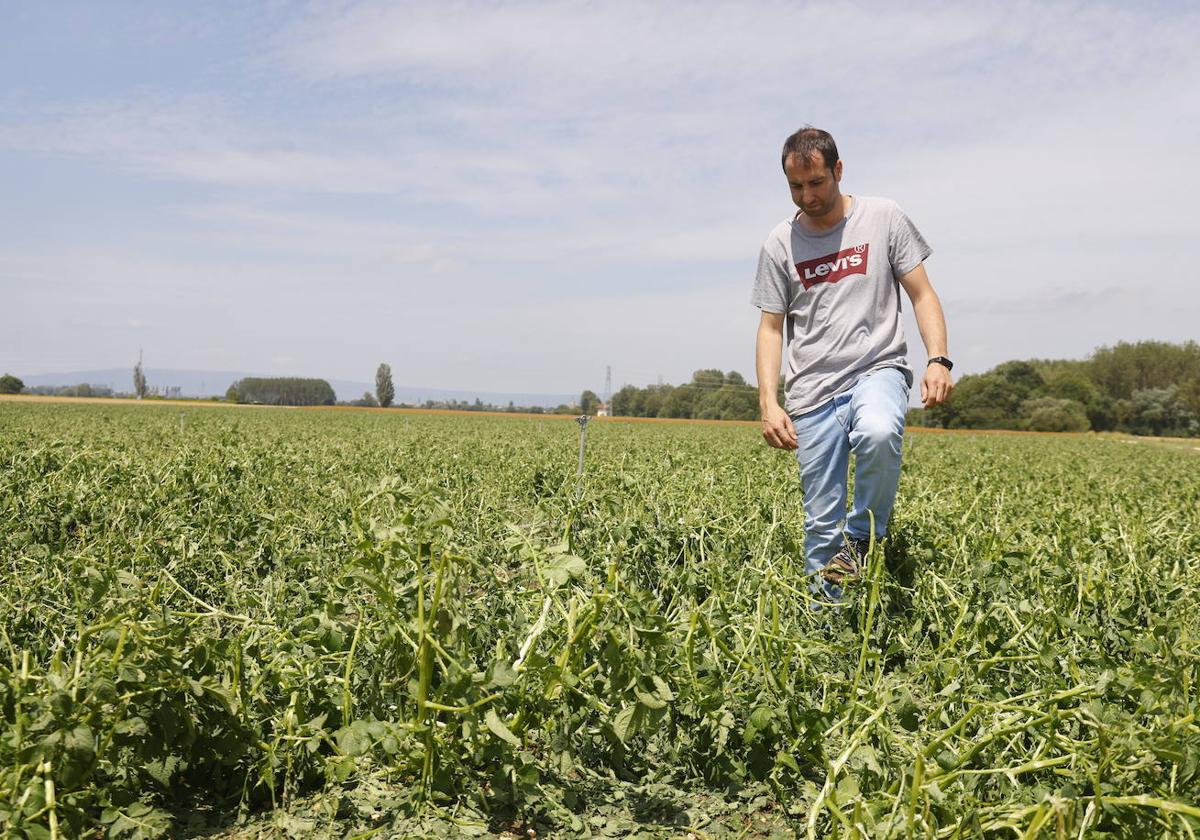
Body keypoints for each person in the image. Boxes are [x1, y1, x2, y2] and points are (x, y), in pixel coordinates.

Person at [751, 126, 953, 600]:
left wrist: (938, 359)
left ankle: (863, 537)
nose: (807, 196)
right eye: (796, 187)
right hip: (810, 394)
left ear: (838, 171)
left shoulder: (883, 217)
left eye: (816, 183)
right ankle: (829, 626)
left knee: (880, 430)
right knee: (821, 523)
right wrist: (768, 401)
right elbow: (770, 329)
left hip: (876, 368)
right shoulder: (779, 244)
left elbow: (922, 295)